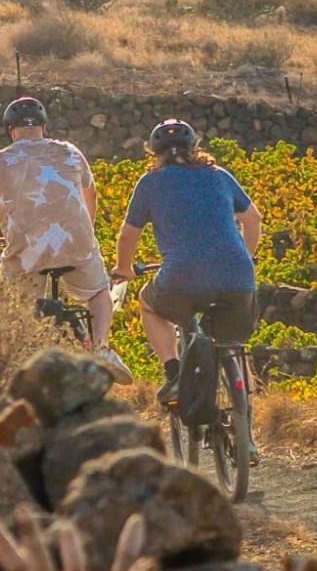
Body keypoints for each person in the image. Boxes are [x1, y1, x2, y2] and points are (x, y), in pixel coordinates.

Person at [0, 97, 133, 385]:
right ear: (43, 126)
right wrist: (81, 232)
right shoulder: (70, 152)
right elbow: (89, 196)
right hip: (76, 243)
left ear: (10, 129)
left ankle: (18, 359)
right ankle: (101, 347)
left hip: (27, 252)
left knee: (13, 305)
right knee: (98, 292)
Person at [110, 119, 262, 407]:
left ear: (155, 152)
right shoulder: (218, 175)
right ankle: (247, 427)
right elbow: (252, 220)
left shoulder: (150, 183)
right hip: (238, 278)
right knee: (234, 346)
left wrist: (124, 269)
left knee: (148, 303)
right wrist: (247, 257)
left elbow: (128, 236)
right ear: (195, 147)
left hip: (182, 278)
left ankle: (175, 373)